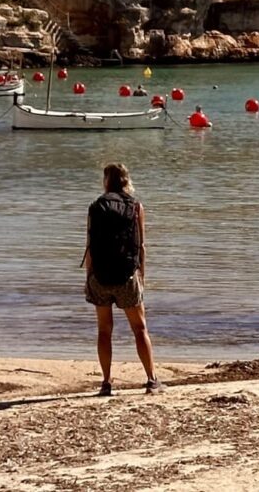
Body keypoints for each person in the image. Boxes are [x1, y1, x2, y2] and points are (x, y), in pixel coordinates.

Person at [83, 163, 160, 396]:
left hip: (100, 275)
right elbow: (141, 246)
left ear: (106, 181)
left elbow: (89, 246)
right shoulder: (136, 207)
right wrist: (141, 276)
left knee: (104, 330)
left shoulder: (95, 206)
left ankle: (106, 383)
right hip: (128, 274)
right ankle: (151, 380)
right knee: (140, 328)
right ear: (127, 181)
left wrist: (89, 276)